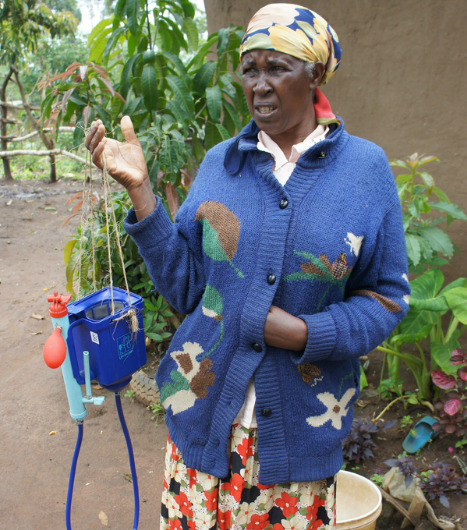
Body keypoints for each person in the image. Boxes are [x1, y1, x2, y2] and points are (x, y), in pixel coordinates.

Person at [85, 4, 410, 529]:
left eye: (277, 68)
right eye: (250, 69)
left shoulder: (365, 172)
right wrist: (142, 193)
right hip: (200, 427)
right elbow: (187, 288)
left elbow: (388, 297)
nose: (259, 85)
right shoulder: (221, 164)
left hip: (296, 450)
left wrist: (308, 332)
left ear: (316, 74)